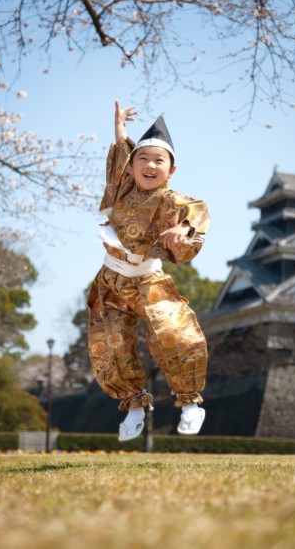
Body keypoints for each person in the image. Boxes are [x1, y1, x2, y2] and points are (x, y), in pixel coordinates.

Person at [87, 100, 210, 441]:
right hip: (110, 282)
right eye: (143, 159)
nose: (150, 165)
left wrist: (183, 230)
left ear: (171, 170)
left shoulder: (171, 200)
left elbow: (197, 211)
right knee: (111, 347)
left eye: (159, 160)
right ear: (132, 167)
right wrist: (120, 130)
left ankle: (189, 404)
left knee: (176, 334)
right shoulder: (123, 187)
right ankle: (133, 405)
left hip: (148, 281)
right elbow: (119, 160)